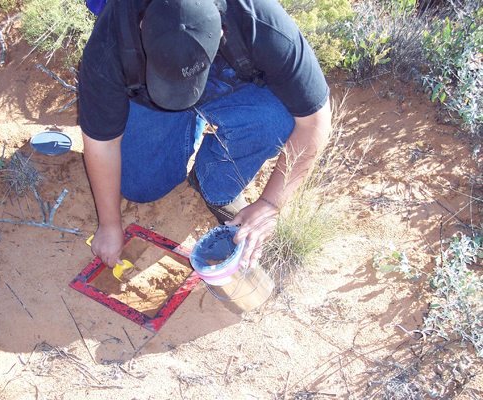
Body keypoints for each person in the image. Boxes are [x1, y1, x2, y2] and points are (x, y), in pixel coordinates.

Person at [78, 0, 331, 271]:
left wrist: (270, 204)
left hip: (235, 86)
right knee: (139, 187)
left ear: (221, 32)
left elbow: (315, 120)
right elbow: (101, 144)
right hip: (147, 98)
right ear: (142, 27)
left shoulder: (258, 20)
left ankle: (212, 179)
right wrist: (109, 225)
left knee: (278, 119)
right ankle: (182, 128)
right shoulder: (110, 41)